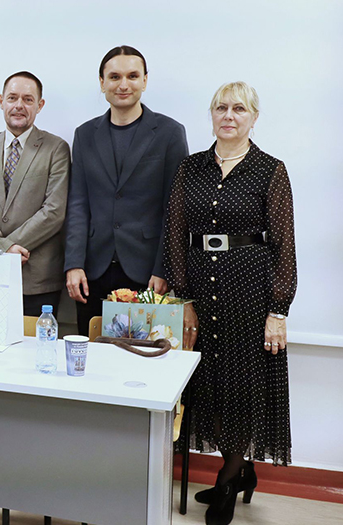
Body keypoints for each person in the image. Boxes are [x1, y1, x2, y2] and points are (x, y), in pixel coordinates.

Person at [164, 81, 297, 525]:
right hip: (201, 290)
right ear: (212, 115)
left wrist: (278, 311)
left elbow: (284, 244)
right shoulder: (191, 168)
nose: (229, 115)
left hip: (250, 293)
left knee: (241, 386)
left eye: (239, 108)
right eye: (221, 107)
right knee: (207, 386)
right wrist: (183, 297)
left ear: (253, 117)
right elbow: (175, 236)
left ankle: (228, 478)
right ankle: (241, 470)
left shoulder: (269, 170)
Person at [64, 46, 188, 336]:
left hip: (147, 273)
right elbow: (78, 204)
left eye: (132, 76)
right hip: (92, 271)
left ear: (145, 80)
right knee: (92, 353)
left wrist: (163, 268)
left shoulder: (169, 132)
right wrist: (73, 264)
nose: (123, 84)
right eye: (114, 77)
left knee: (141, 355)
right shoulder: (84, 134)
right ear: (102, 82)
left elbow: (175, 209)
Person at [0, 71, 70, 317]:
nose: (19, 105)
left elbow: (54, 211)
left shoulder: (56, 149)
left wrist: (7, 249)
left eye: (28, 99)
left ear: (40, 105)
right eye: (12, 98)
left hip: (37, 278)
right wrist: (3, 248)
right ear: (1, 101)